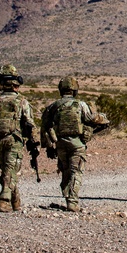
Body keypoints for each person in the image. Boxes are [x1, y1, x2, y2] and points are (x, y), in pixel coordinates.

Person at [41, 76, 108, 212]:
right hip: (77, 143)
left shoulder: (53, 106)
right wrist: (103, 118)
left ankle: (67, 197)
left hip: (60, 143)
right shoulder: (80, 105)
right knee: (76, 171)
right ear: (75, 90)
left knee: (65, 170)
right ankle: (72, 201)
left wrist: (48, 146)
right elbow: (91, 118)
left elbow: (45, 126)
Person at [0, 64, 38, 212]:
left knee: (7, 171)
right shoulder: (21, 101)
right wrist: (33, 141)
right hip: (14, 140)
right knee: (10, 171)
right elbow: (30, 123)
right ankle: (3, 200)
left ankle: (15, 200)